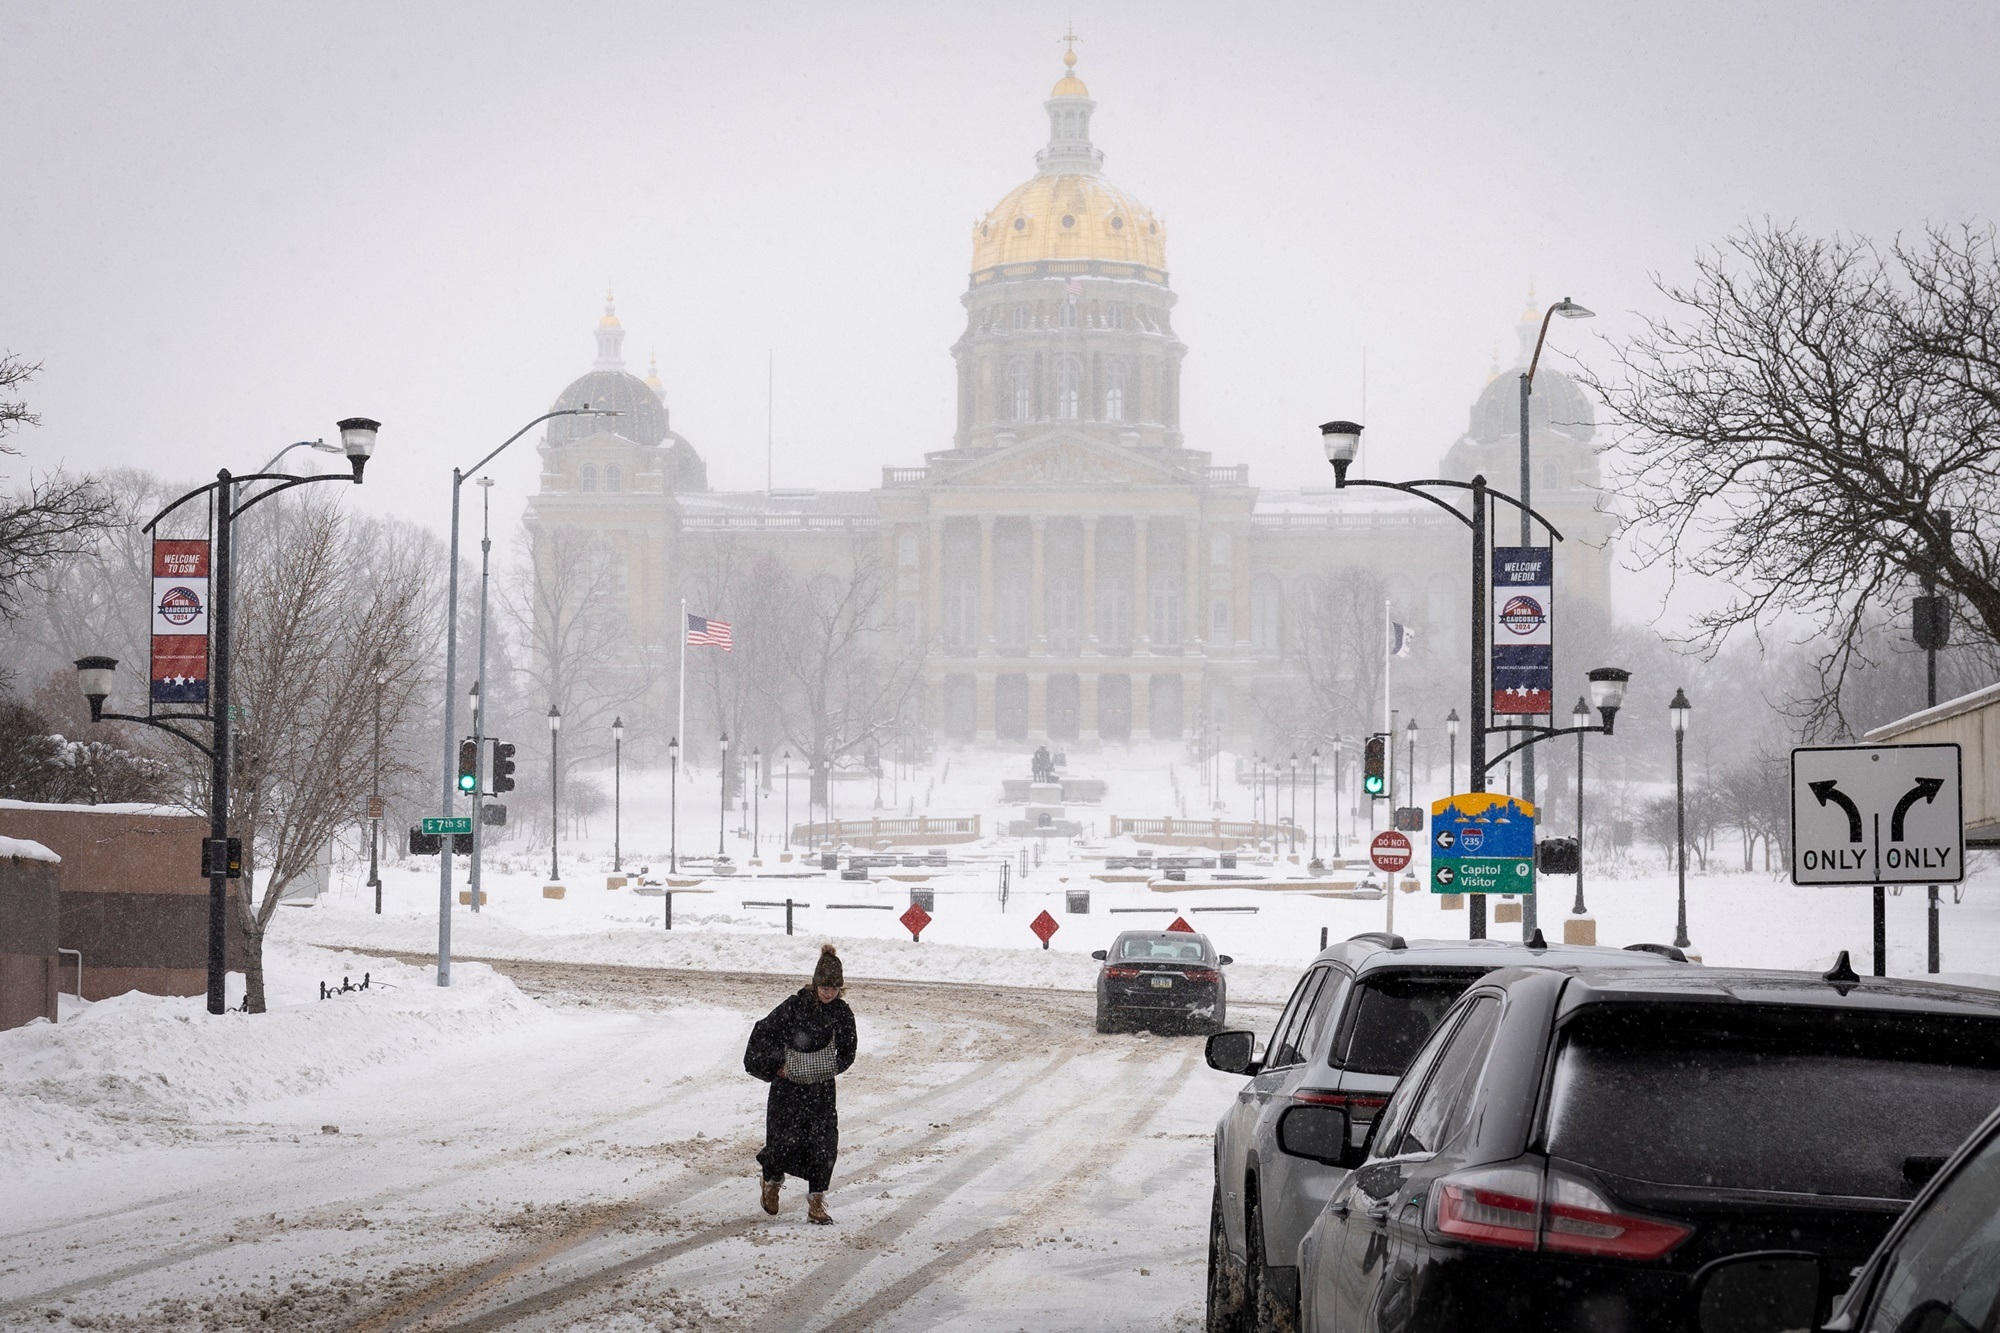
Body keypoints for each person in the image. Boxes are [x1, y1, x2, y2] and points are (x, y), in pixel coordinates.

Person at [744, 943, 857, 1223]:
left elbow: (848, 1050)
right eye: (824, 987)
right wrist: (776, 1067)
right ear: (815, 984)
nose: (828, 993)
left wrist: (828, 1068)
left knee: (823, 1145)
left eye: (833, 989)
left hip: (820, 1091)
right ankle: (771, 1182)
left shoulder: (842, 1014)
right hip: (788, 1089)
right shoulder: (794, 1007)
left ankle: (816, 1202)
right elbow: (763, 1032)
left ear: (840, 988)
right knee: (782, 1141)